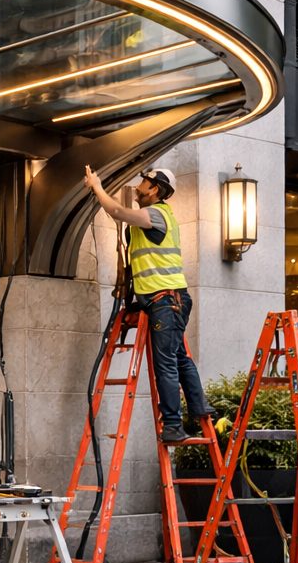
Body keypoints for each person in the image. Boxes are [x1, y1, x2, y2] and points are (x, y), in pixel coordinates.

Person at [82, 164, 211, 444]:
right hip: (162, 300)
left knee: (166, 362)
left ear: (155, 190)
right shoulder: (147, 219)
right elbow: (115, 213)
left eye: (144, 182)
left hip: (166, 300)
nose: (139, 186)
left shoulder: (157, 214)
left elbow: (117, 211)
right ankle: (199, 405)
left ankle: (174, 425)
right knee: (177, 356)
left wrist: (97, 186)